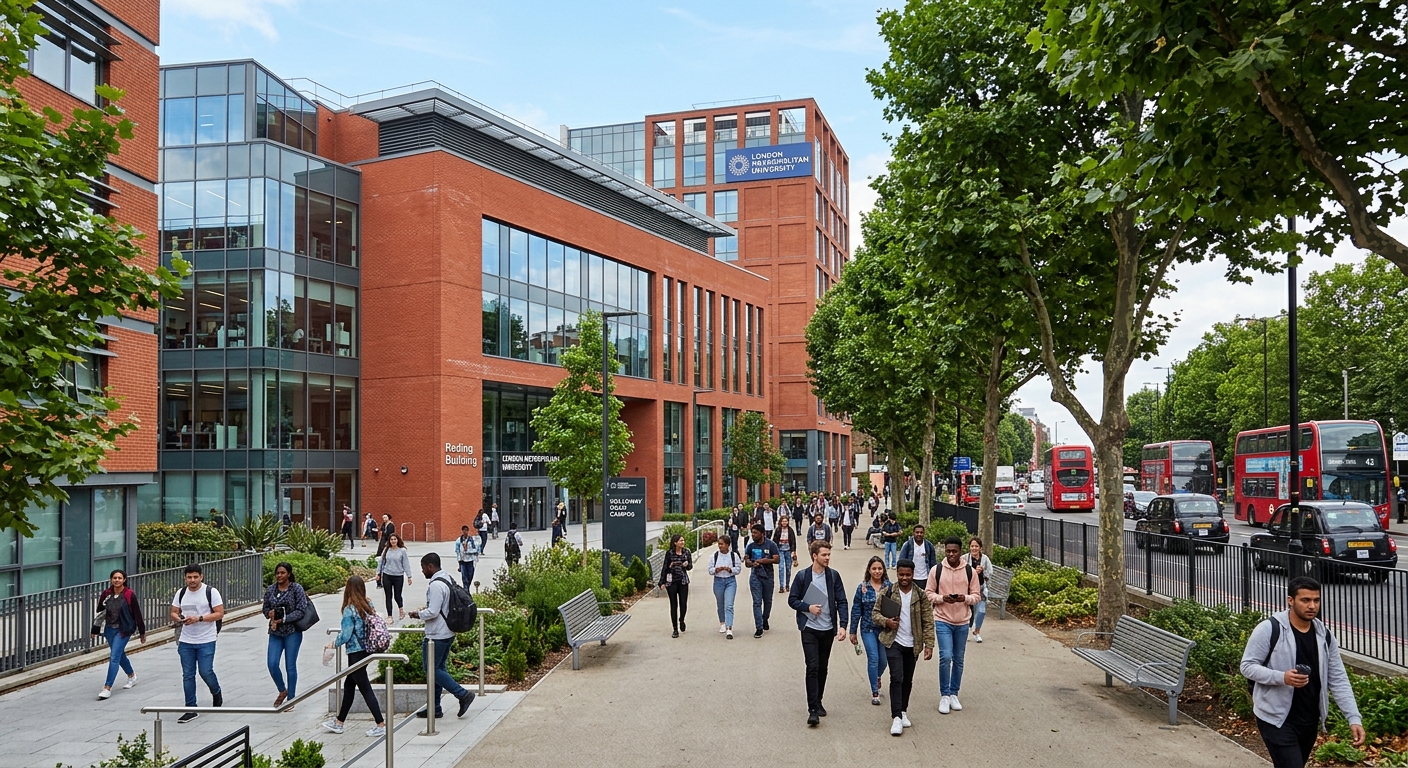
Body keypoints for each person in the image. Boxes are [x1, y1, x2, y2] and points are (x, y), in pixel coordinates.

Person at [1240, 576, 1363, 768]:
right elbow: (1247, 666)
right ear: (1291, 601)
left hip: (1309, 720)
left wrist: (1353, 718)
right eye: (1305, 600)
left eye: (1316, 600)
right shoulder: (1269, 629)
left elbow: (1338, 678)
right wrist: (1282, 677)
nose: (1312, 606)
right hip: (1275, 718)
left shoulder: (1324, 635)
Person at [787, 540, 848, 726]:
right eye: (824, 555)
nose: (828, 558)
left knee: (822, 668)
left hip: (827, 629)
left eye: (829, 555)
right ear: (815, 556)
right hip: (809, 630)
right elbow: (792, 600)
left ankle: (819, 700)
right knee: (812, 666)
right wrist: (808, 607)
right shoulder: (803, 576)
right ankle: (812, 709)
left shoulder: (834, 577)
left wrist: (843, 625)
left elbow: (842, 601)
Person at [408, 554, 476, 719]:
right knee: (439, 669)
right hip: (447, 632)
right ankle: (435, 707)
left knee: (432, 670)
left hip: (437, 634)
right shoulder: (447, 578)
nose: (422, 571)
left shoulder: (436, 585)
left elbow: (433, 612)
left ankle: (463, 694)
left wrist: (418, 614)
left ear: (430, 566)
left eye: (423, 567)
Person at [875, 558, 936, 736]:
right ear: (897, 574)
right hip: (893, 642)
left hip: (913, 644)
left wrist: (929, 644)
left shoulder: (921, 595)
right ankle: (895, 717)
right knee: (897, 677)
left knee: (907, 680)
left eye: (908, 575)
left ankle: (903, 711)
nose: (904, 578)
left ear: (913, 575)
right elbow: (875, 613)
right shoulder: (888, 591)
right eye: (901, 574)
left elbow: (928, 621)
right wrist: (886, 621)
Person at [323, 576, 388, 737]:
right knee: (350, 685)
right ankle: (339, 722)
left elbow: (345, 635)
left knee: (364, 687)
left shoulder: (349, 610)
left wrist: (333, 644)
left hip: (355, 652)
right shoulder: (368, 604)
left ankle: (380, 723)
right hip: (367, 649)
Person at [925, 537, 981, 714]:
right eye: (948, 551)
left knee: (958, 659)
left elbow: (977, 596)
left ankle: (954, 692)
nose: (951, 554)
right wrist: (942, 598)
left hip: (963, 621)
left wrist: (965, 598)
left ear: (960, 551)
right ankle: (944, 695)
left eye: (954, 551)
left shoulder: (970, 571)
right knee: (945, 657)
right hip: (943, 619)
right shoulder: (937, 570)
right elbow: (928, 593)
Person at [170, 564, 225, 723]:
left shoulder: (211, 592)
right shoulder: (181, 593)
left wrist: (199, 618)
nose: (192, 580)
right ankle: (191, 708)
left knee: (205, 671)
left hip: (206, 638)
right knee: (188, 674)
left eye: (195, 577)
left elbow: (219, 613)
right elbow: (173, 611)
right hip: (186, 639)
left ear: (201, 577)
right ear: (185, 578)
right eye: (189, 577)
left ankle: (216, 691)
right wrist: (179, 619)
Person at [262, 561, 311, 707]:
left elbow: (301, 610)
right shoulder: (271, 590)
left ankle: (291, 699)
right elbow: (265, 608)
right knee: (272, 663)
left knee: (290, 665)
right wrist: (269, 613)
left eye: (282, 573)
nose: (279, 575)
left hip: (292, 631)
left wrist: (284, 618)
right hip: (275, 631)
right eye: (277, 573)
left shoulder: (296, 588)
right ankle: (282, 690)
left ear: (288, 574)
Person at [92, 569, 146, 699]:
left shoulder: (129, 594)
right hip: (110, 629)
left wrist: (142, 632)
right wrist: (95, 628)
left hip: (124, 629)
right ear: (111, 580)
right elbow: (100, 610)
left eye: (119, 578)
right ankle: (132, 676)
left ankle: (107, 687)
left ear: (124, 580)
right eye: (114, 578)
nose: (117, 580)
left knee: (114, 656)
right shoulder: (107, 593)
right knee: (120, 654)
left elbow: (137, 613)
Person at [848, 556, 890, 706]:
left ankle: (877, 676)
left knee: (883, 660)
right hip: (868, 628)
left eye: (880, 568)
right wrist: (852, 631)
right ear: (869, 570)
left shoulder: (889, 587)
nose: (877, 571)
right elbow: (856, 609)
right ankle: (875, 691)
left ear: (883, 570)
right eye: (874, 568)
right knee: (873, 658)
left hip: (885, 629)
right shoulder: (863, 588)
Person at [743, 523, 781, 638]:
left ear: (762, 533)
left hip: (768, 576)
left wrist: (765, 561)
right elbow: (747, 562)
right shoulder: (750, 546)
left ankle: (765, 619)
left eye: (755, 533)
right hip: (755, 576)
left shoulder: (771, 545)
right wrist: (750, 562)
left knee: (768, 601)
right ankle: (758, 627)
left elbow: (777, 559)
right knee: (757, 602)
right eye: (752, 533)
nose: (753, 535)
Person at [707, 533, 742, 639]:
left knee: (729, 605)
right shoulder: (714, 556)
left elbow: (738, 569)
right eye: (719, 544)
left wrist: (730, 569)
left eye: (722, 544)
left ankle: (729, 627)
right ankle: (722, 622)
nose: (720, 546)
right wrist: (716, 570)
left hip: (730, 581)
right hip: (718, 581)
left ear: (727, 545)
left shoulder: (733, 556)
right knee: (720, 603)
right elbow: (710, 570)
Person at [660, 534, 693, 637]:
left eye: (683, 540)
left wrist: (686, 565)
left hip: (683, 580)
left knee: (683, 604)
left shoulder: (686, 552)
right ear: (675, 543)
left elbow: (690, 567)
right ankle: (675, 629)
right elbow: (665, 567)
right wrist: (662, 582)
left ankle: (681, 619)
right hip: (672, 581)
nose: (682, 542)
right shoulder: (669, 553)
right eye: (680, 541)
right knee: (673, 605)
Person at [376, 533, 411, 620]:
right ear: (389, 541)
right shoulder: (386, 550)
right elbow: (381, 562)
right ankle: (390, 616)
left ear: (398, 540)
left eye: (395, 539)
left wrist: (409, 576)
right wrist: (378, 573)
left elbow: (406, 564)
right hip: (387, 575)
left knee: (397, 596)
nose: (393, 541)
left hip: (398, 576)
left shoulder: (402, 551)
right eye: (391, 539)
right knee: (388, 596)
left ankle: (401, 610)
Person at [963, 538, 992, 643]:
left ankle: (976, 631)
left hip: (980, 588)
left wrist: (983, 571)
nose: (974, 548)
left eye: (976, 546)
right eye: (972, 546)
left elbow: (990, 573)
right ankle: (965, 631)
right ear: (969, 547)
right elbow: (960, 573)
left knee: (981, 611)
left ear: (980, 548)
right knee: (967, 612)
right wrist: (972, 572)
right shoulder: (964, 558)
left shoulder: (985, 559)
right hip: (967, 590)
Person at [773, 515, 796, 593]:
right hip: (780, 549)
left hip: (788, 550)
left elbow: (793, 541)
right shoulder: (778, 530)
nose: (784, 523)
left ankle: (787, 584)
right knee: (781, 567)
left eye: (786, 521)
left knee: (788, 568)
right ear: (780, 522)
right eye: (783, 521)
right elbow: (774, 540)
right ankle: (781, 586)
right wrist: (774, 551)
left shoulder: (790, 530)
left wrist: (793, 551)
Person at [454, 525, 480, 590]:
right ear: (462, 531)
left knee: (470, 576)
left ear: (468, 531)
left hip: (470, 561)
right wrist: (459, 564)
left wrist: (467, 550)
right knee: (464, 578)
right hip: (463, 562)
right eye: (464, 530)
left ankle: (467, 588)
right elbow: (457, 552)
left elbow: (477, 550)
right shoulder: (459, 540)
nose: (465, 532)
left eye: (466, 530)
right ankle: (466, 590)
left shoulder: (472, 540)